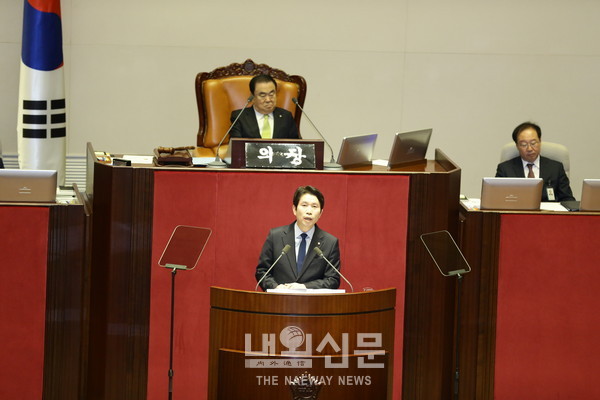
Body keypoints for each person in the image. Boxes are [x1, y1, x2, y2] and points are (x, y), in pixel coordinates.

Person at [255, 185, 341, 290]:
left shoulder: (330, 242)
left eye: (314, 206)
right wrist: (276, 287)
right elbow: (262, 271)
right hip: (279, 302)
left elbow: (333, 280)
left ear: (320, 213)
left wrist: (305, 287)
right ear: (294, 209)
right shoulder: (275, 236)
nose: (309, 211)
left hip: (314, 304)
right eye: (304, 205)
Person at [495, 122, 574, 202]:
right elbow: (496, 199)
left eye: (533, 143)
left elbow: (568, 199)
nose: (529, 149)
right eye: (524, 144)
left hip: (547, 213)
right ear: (517, 146)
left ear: (540, 142)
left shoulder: (556, 168)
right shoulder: (505, 169)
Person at [229, 74, 300, 139]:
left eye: (271, 94)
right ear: (252, 97)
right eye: (262, 95)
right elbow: (235, 147)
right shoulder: (239, 117)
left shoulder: (286, 116)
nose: (268, 100)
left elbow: (297, 144)